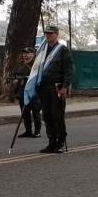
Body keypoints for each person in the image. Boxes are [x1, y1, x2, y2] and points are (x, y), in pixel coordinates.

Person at [35, 26, 73, 154]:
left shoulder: (62, 50)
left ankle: (60, 142)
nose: (48, 36)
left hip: (56, 87)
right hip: (43, 89)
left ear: (57, 35)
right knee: (47, 116)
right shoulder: (42, 50)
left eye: (51, 34)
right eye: (46, 33)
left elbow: (68, 71)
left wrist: (65, 87)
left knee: (57, 116)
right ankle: (51, 142)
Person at [13, 48, 42, 138]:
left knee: (35, 112)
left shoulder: (37, 65)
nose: (25, 55)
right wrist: (16, 80)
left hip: (34, 91)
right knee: (24, 112)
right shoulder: (20, 65)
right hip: (22, 90)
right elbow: (16, 75)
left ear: (33, 54)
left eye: (28, 53)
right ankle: (28, 131)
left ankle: (37, 132)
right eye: (24, 53)